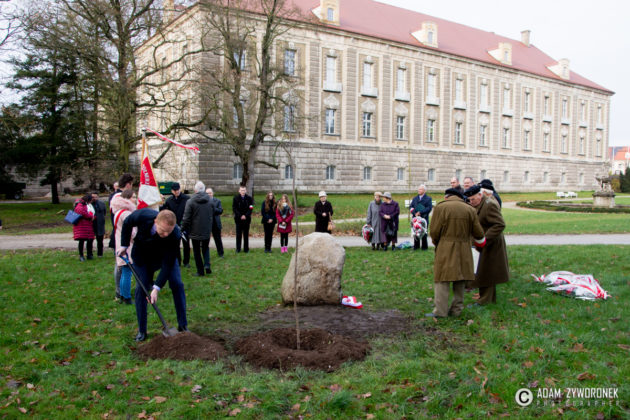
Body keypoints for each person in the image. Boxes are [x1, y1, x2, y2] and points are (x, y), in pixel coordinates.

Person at [118, 209, 188, 342]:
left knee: (177, 284)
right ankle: (142, 330)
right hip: (143, 257)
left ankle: (183, 325)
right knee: (141, 288)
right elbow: (127, 222)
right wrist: (124, 245)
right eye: (163, 230)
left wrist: (156, 288)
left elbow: (168, 264)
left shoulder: (175, 234)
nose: (166, 234)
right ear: (156, 222)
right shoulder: (144, 216)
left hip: (164, 258)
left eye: (169, 231)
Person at [427, 188, 486, 318]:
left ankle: (440, 311)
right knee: (460, 278)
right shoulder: (470, 209)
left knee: (442, 279)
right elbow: (478, 233)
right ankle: (456, 310)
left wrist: (438, 243)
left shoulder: (441, 207)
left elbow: (434, 231)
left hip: (445, 246)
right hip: (464, 247)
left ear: (447, 197)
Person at [466, 185, 509, 305]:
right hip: (482, 244)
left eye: (473, 199)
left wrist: (484, 239)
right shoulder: (478, 204)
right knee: (482, 271)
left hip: (491, 244)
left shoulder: (489, 205)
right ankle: (485, 298)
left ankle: (485, 300)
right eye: (469, 200)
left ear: (480, 195)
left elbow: (499, 224)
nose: (471, 202)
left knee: (488, 272)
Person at [181, 181, 213, 276]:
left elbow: (186, 218)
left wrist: (182, 228)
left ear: (195, 190)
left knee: (196, 251)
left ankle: (200, 271)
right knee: (205, 248)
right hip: (206, 228)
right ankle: (207, 265)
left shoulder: (190, 201)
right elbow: (212, 213)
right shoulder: (210, 200)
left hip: (194, 230)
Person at [111, 189, 137, 304]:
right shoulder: (126, 214)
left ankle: (122, 294)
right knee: (127, 272)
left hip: (120, 244)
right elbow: (132, 232)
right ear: (127, 199)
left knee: (124, 271)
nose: (135, 200)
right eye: (133, 197)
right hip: (127, 246)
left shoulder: (118, 212)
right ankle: (126, 297)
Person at [161, 182, 191, 267]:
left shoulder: (186, 199)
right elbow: (164, 211)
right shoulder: (169, 200)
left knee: (186, 244)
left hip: (185, 225)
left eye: (177, 189)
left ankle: (186, 262)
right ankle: (178, 261)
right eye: (174, 190)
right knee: (176, 245)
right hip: (174, 226)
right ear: (172, 191)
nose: (176, 191)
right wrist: (162, 203)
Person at [73, 193, 95, 262]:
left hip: (87, 225)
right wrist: (91, 217)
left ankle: (89, 254)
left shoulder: (84, 204)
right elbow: (82, 212)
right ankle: (81, 255)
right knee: (81, 241)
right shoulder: (80, 205)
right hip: (81, 225)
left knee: (89, 240)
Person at [409, 185, 432, 251]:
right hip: (415, 218)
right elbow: (411, 207)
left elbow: (429, 208)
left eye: (420, 189)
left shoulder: (428, 199)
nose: (418, 190)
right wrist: (414, 213)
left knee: (424, 232)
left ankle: (424, 247)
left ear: (424, 191)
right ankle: (416, 246)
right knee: (416, 231)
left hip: (423, 218)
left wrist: (420, 212)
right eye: (418, 189)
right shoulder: (415, 198)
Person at [232, 185, 253, 253]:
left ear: (246, 191)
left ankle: (246, 249)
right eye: (241, 190)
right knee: (238, 235)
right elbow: (234, 208)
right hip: (238, 219)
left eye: (244, 190)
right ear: (239, 191)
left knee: (246, 235)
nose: (243, 191)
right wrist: (240, 215)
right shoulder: (235, 198)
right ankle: (238, 249)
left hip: (247, 219)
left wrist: (246, 215)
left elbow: (251, 208)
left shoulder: (249, 198)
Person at [206, 188, 224, 258]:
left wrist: (213, 208)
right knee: (206, 240)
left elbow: (220, 211)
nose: (209, 194)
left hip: (216, 223)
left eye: (210, 193)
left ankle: (221, 253)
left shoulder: (217, 201)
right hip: (207, 223)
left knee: (218, 239)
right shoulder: (203, 202)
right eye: (207, 193)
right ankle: (206, 255)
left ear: (212, 193)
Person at [91, 192, 107, 257]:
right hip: (91, 224)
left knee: (100, 240)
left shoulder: (101, 204)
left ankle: (100, 254)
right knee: (90, 240)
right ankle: (90, 254)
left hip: (100, 223)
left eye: (95, 197)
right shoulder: (89, 204)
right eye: (93, 197)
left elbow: (104, 212)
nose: (94, 198)